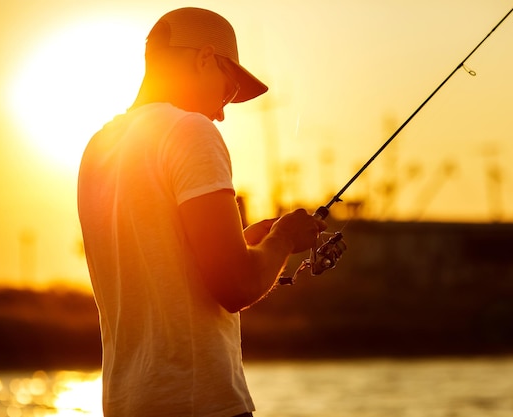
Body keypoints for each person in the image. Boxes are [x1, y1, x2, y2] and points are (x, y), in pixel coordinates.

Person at [77, 7, 326, 417]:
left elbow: (162, 264)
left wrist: (246, 241)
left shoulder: (99, 148)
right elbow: (235, 285)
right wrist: (283, 238)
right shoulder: (190, 130)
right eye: (227, 91)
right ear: (205, 58)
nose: (222, 111)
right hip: (200, 403)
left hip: (124, 404)